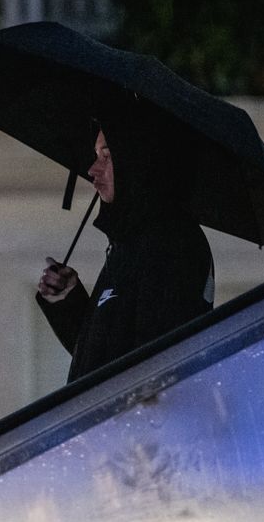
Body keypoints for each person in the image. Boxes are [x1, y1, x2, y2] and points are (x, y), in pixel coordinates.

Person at [37, 113, 215, 382]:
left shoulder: (171, 243)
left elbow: (148, 374)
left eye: (106, 157)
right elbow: (100, 358)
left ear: (137, 161)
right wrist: (68, 301)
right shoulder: (131, 242)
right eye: (97, 155)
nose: (93, 169)